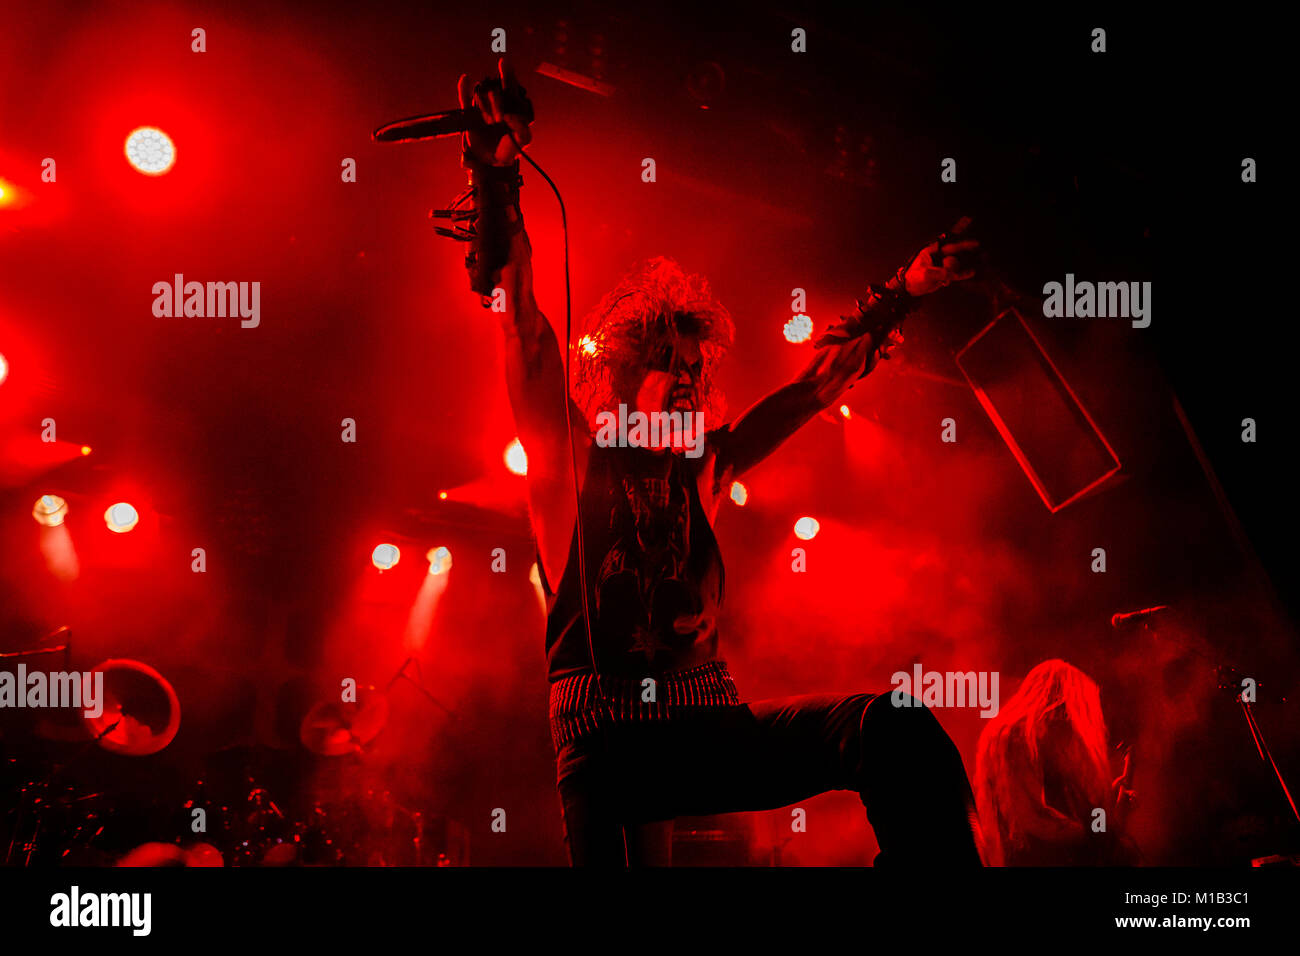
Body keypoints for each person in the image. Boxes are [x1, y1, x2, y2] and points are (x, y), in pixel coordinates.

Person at [452, 60, 983, 866]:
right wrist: (497, 176)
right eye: (674, 362)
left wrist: (905, 290)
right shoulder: (572, 461)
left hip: (705, 728)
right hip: (611, 743)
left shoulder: (707, 467)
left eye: (700, 369)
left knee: (895, 729)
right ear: (628, 375)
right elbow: (524, 331)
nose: (693, 379)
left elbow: (816, 384)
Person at [974, 659, 1139, 865]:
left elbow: (1084, 810)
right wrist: (1097, 835)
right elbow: (1033, 817)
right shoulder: (1020, 734)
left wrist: (1111, 804)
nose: (1074, 720)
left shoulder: (1034, 736)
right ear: (1061, 702)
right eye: (1075, 708)